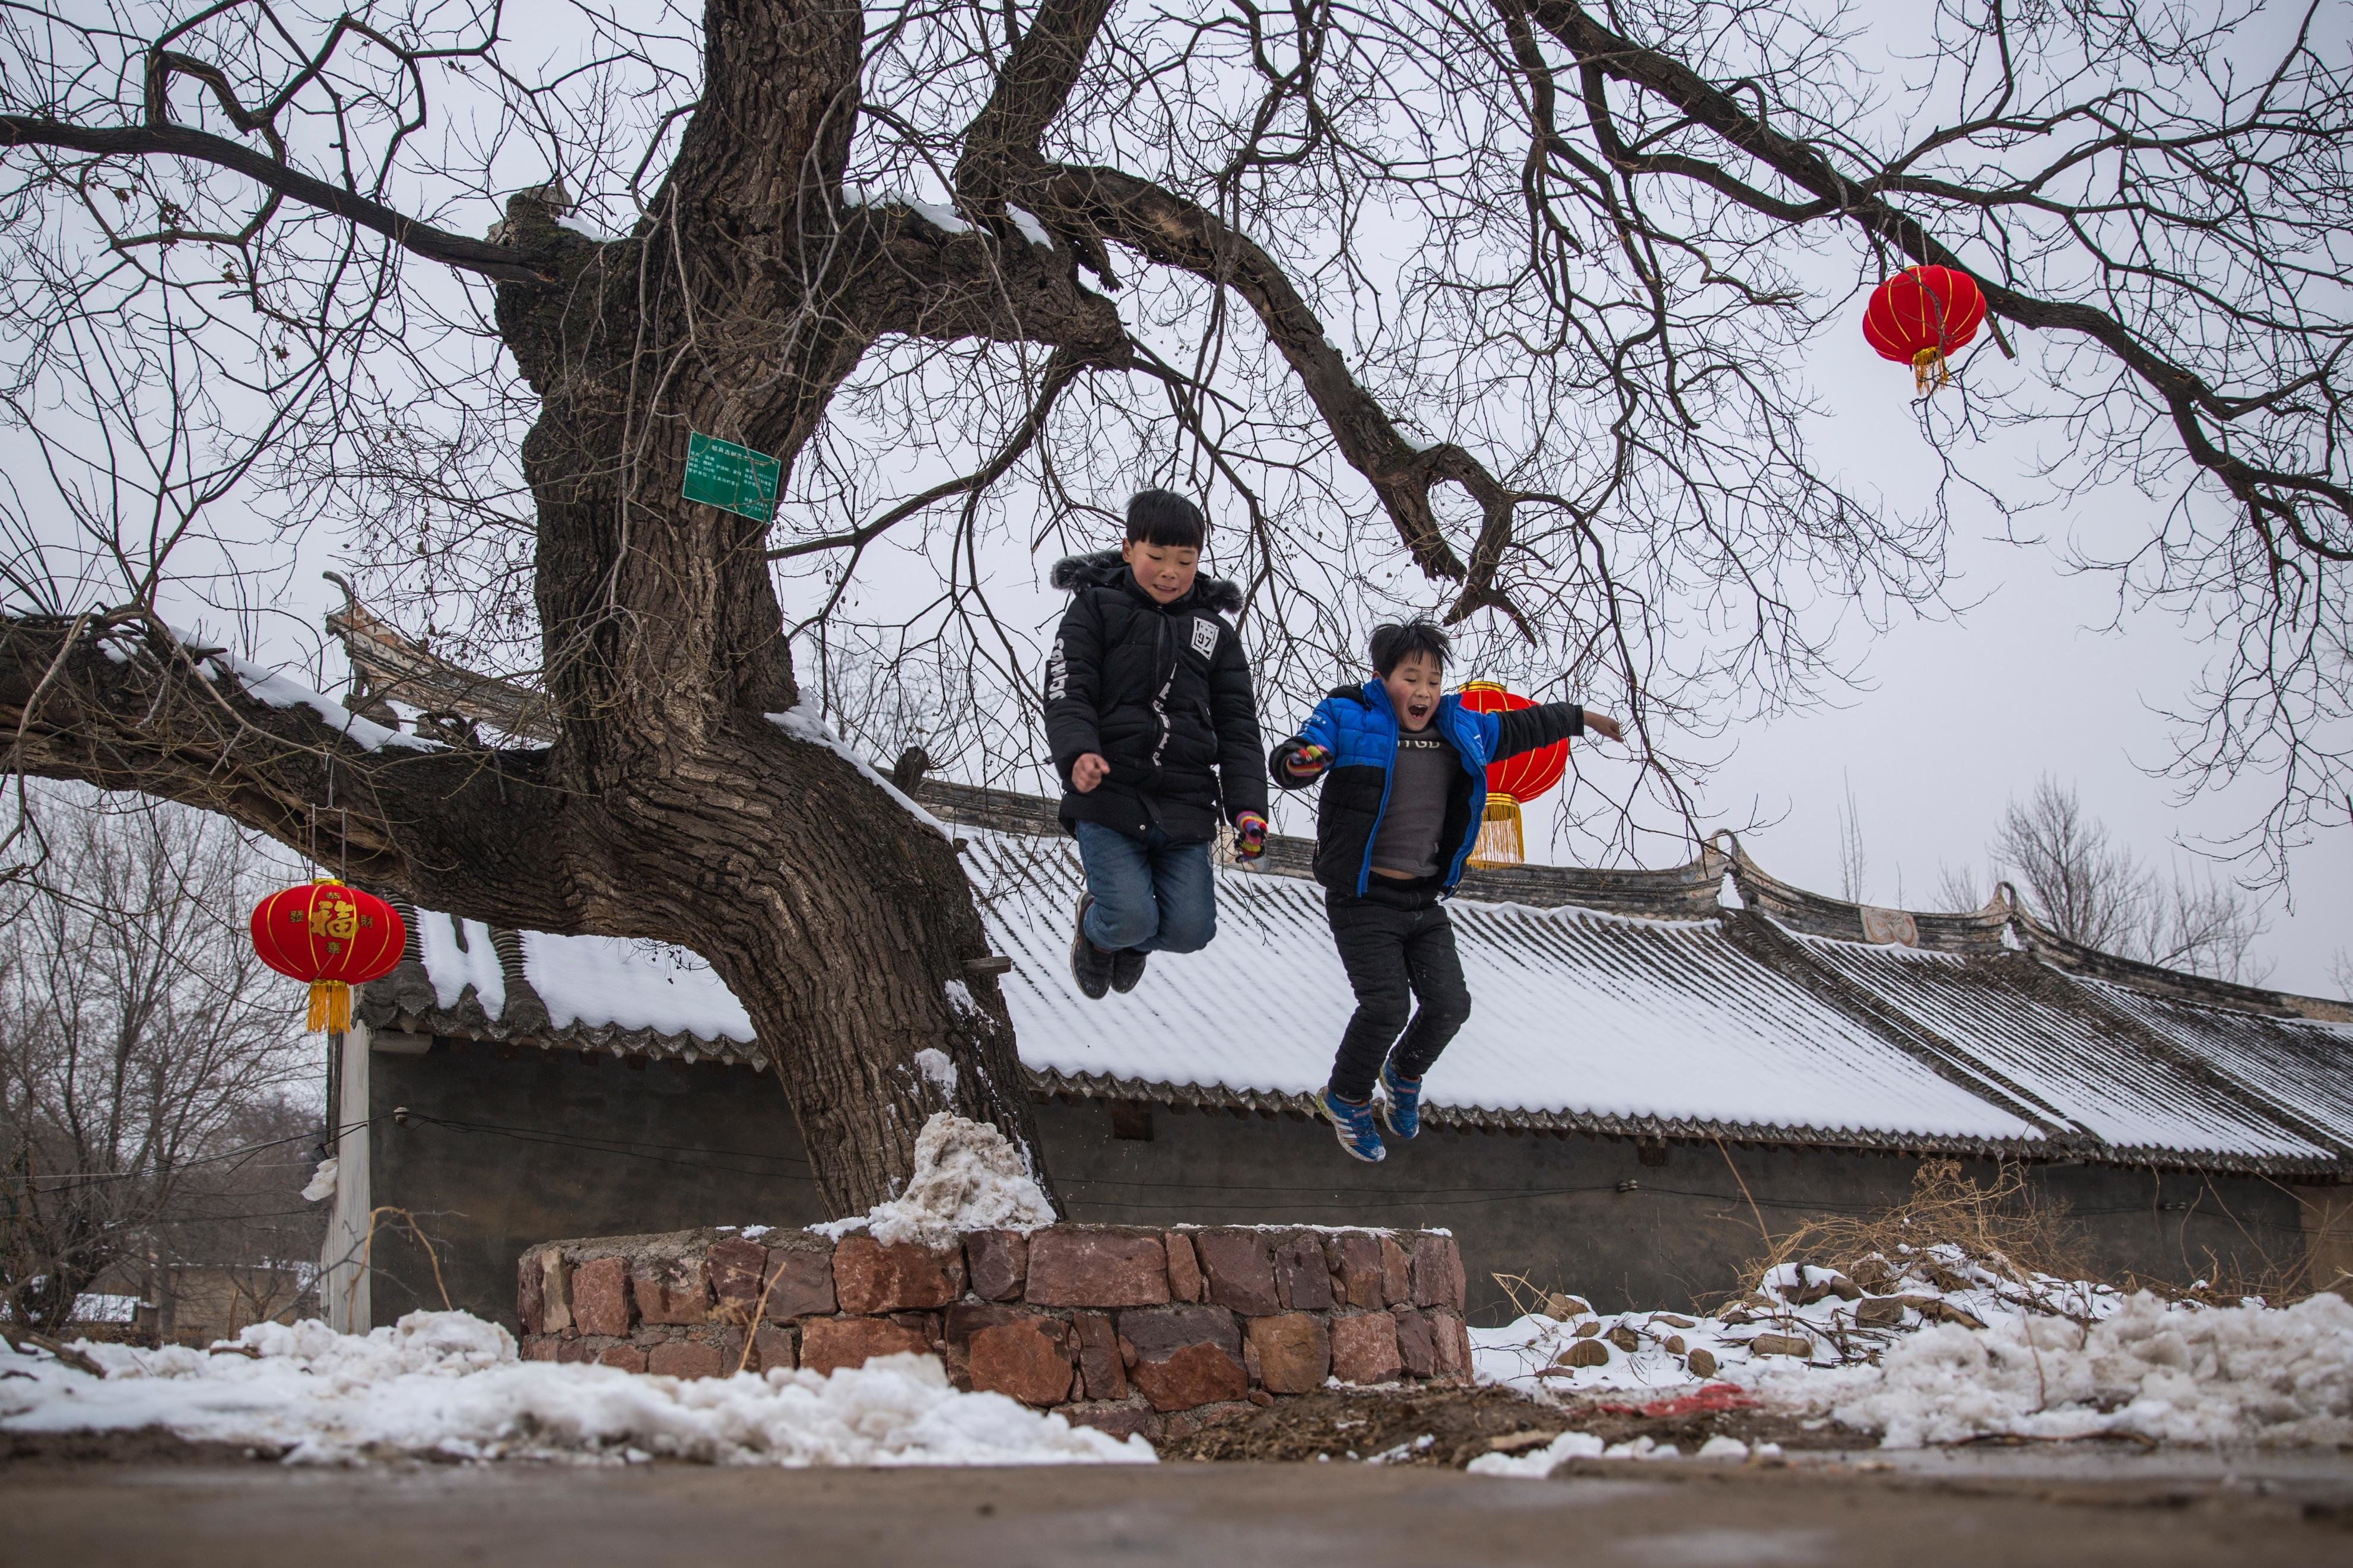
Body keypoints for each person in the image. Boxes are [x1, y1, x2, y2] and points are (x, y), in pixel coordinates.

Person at [1269, 620, 1624, 1162]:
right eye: (1410, 678)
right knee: (1386, 1006)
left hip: (1422, 899)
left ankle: (1403, 1073)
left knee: (1450, 1004)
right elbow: (1303, 751)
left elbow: (1525, 726)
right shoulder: (1349, 713)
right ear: (1381, 677)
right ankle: (1346, 1097)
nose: (1423, 692)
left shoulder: (1463, 726)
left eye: (1433, 680)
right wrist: (1299, 761)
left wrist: (1580, 719)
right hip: (1362, 899)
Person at [1044, 489, 1270, 999]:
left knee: (1192, 931)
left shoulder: (1215, 632)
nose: (1170, 572)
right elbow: (1068, 686)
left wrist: (1248, 809)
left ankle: (1131, 938)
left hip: (1185, 805)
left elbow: (1239, 728)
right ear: (1128, 549)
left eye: (1185, 561)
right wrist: (1077, 752)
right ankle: (1103, 934)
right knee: (1127, 916)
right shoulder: (1095, 610)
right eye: (1157, 557)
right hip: (1110, 797)